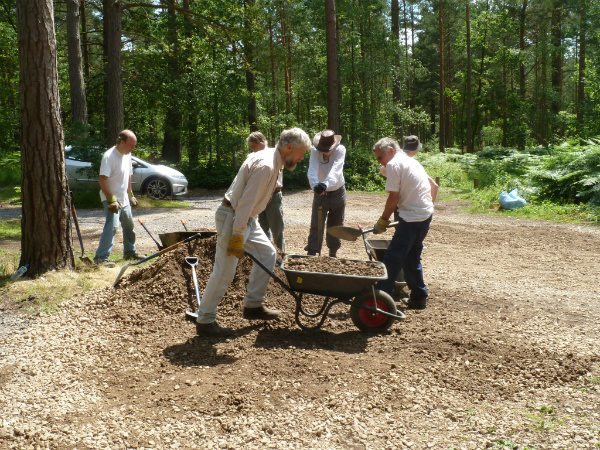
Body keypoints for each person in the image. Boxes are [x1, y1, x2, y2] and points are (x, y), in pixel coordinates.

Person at [196, 127, 311, 337]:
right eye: (301, 153)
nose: (302, 158)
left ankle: (253, 306)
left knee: (268, 253)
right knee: (224, 272)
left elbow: (254, 203)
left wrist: (248, 224)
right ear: (289, 147)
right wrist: (238, 236)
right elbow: (245, 203)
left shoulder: (274, 161)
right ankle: (205, 319)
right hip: (234, 217)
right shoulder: (267, 165)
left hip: (246, 218)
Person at [371, 136, 434, 310]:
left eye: (380, 157)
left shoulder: (394, 164)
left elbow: (394, 197)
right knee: (411, 257)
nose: (379, 162)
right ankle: (419, 297)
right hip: (425, 215)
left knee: (392, 258)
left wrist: (383, 221)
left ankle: (380, 301)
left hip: (412, 216)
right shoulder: (409, 161)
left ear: (391, 150)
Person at [93, 130, 143, 267]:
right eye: (131, 145)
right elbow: (103, 180)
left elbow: (128, 175)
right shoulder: (109, 156)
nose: (133, 148)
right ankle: (100, 258)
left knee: (129, 225)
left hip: (124, 198)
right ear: (122, 142)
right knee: (112, 226)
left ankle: (130, 252)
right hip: (111, 197)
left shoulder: (127, 155)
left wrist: (130, 194)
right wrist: (111, 199)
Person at [305, 129, 346, 257]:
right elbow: (312, 169)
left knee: (336, 224)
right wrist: (315, 185)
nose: (325, 152)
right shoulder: (315, 151)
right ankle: (312, 252)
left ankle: (333, 252)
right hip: (320, 193)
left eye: (328, 149)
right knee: (316, 223)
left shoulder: (340, 150)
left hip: (338, 192)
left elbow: (336, 169)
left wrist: (325, 184)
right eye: (323, 149)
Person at [247, 132, 285, 253]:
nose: (252, 148)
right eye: (251, 146)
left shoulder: (275, 154)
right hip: (259, 195)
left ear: (261, 143)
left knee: (277, 230)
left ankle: (281, 256)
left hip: (273, 195)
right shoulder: (251, 156)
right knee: (262, 229)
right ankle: (267, 255)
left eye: (254, 145)